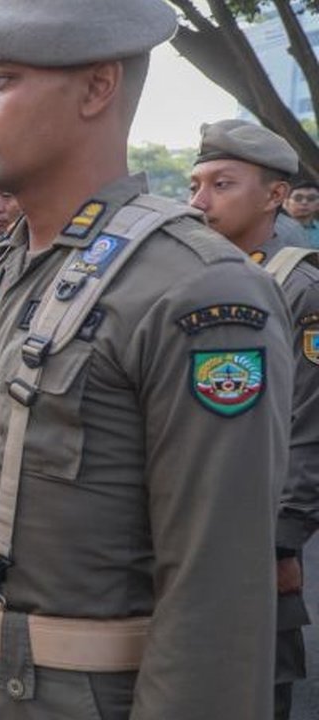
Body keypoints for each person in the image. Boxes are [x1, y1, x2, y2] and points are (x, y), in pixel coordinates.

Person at [0, 2, 293, 718]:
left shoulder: (195, 288)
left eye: (1, 80)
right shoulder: (8, 269)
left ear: (98, 89)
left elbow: (215, 599)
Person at [188, 119, 319, 720]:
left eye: (221, 184)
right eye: (195, 185)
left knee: (255, 692)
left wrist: (282, 537)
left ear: (272, 195)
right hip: (188, 533)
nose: (199, 201)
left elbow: (309, 425)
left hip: (258, 538)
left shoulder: (300, 287)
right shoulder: (195, 278)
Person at [285, 181, 319, 248]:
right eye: (298, 198)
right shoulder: (271, 229)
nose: (304, 202)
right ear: (286, 203)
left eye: (311, 198)